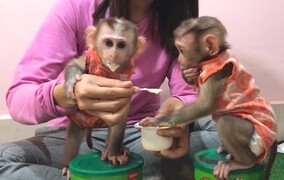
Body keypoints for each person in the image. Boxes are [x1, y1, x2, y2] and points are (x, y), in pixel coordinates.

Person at [2, 0, 220, 179]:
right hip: (71, 137)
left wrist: (179, 112)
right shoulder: (75, 7)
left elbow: (189, 93)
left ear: (138, 47)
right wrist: (66, 95)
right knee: (4, 159)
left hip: (138, 136)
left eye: (122, 46)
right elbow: (18, 99)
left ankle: (101, 175)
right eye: (108, 44)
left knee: (235, 129)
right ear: (92, 39)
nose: (114, 54)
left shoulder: (177, 23)